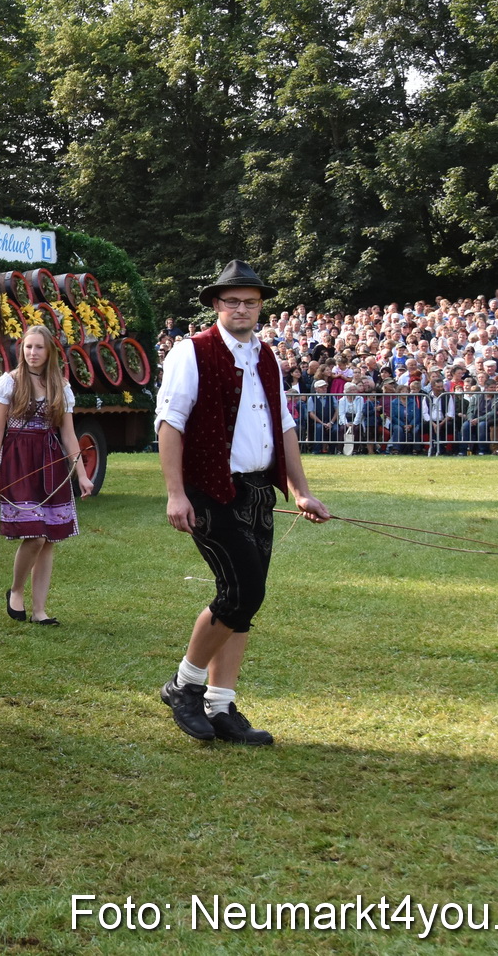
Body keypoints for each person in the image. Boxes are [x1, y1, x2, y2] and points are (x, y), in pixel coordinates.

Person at [156, 261, 329, 746]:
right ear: (216, 305)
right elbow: (170, 424)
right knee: (242, 592)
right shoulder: (192, 352)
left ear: (260, 307)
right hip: (211, 489)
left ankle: (220, 705)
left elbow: (285, 425)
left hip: (257, 492)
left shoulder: (268, 357)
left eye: (250, 302)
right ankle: (184, 687)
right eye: (232, 301)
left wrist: (300, 490)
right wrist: (175, 493)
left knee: (243, 605)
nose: (241, 309)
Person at [0, 325, 93, 625]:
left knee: (49, 540)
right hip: (18, 461)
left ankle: (39, 610)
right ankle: (16, 590)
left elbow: (69, 436)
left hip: (50, 461)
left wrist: (81, 475)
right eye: (28, 347)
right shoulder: (9, 382)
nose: (32, 353)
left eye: (39, 348)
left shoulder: (61, 386)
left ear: (50, 352)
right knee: (34, 534)